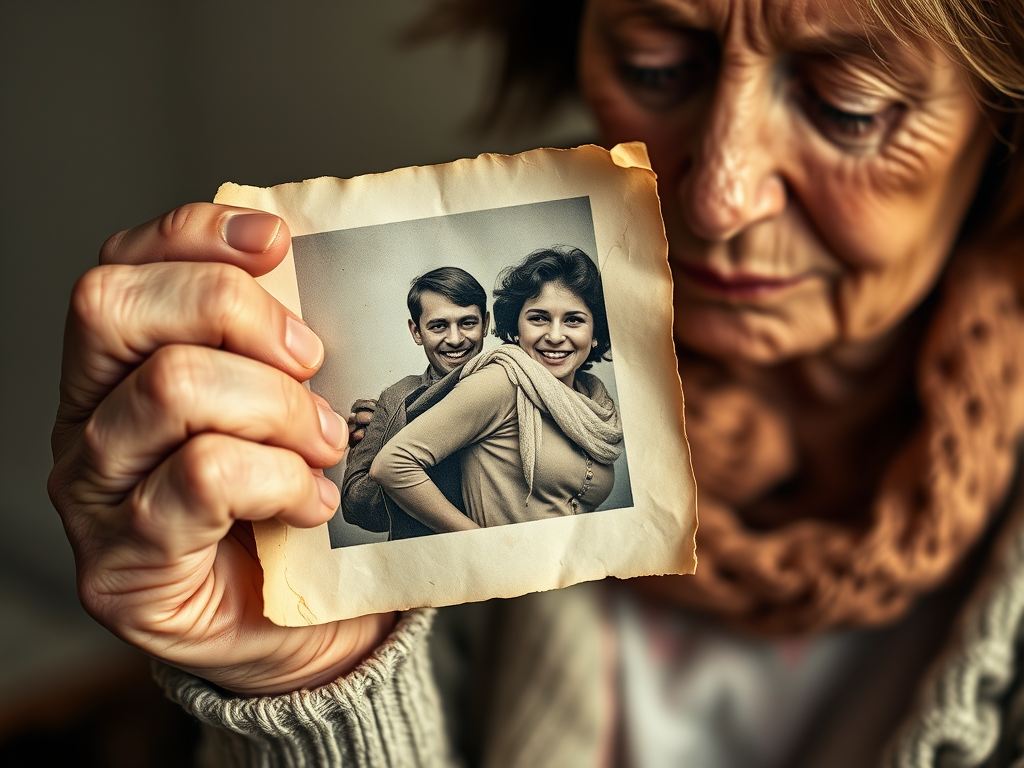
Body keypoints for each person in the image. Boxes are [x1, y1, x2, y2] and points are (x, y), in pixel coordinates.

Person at [46, 0, 1024, 765]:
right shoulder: (415, 381)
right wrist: (307, 689)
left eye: (849, 106)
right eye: (654, 65)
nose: (718, 197)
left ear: (1001, 113)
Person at [369, 246, 622, 531]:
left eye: (573, 320)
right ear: (516, 328)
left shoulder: (595, 401)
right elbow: (392, 465)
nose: (554, 335)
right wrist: (480, 544)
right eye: (538, 318)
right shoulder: (501, 381)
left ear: (596, 333)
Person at [341, 266, 490, 540]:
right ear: (416, 331)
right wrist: (392, 444)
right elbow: (355, 507)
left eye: (467, 323)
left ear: (486, 324)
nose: (455, 339)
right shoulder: (397, 398)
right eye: (438, 326)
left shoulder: (511, 385)